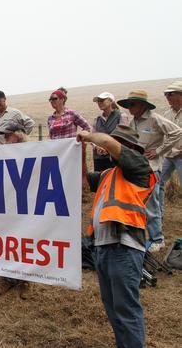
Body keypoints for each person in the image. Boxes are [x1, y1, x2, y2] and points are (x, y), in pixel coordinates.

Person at [77, 125, 156, 348]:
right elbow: (83, 181)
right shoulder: (107, 174)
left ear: (131, 148)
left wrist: (89, 136)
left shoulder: (140, 168)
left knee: (126, 309)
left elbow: (108, 143)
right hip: (102, 248)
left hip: (124, 247)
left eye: (119, 143)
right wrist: (81, 150)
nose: (110, 149)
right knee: (113, 306)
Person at [118, 90, 182, 252]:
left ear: (141, 105)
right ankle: (143, 235)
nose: (129, 108)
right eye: (128, 105)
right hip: (137, 168)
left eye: (132, 104)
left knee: (152, 206)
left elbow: (177, 132)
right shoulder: (134, 122)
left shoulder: (155, 119)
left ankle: (157, 239)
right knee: (139, 203)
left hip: (151, 168)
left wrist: (159, 150)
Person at [0, 124, 31, 297]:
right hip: (8, 202)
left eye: (8, 136)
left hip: (26, 202)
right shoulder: (3, 152)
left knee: (27, 238)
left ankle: (26, 279)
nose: (5, 139)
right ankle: (9, 277)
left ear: (19, 135)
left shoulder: (32, 151)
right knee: (9, 238)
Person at [92, 92, 130, 172]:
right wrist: (97, 147)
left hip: (115, 158)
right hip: (99, 158)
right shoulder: (97, 119)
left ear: (111, 101)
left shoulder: (121, 116)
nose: (99, 103)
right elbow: (93, 137)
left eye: (102, 100)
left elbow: (123, 137)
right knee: (100, 181)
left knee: (114, 182)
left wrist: (109, 148)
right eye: (98, 101)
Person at [160, 81, 182, 206]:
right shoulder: (166, 114)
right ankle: (158, 213)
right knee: (157, 183)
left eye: (171, 94)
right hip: (168, 156)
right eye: (166, 94)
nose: (167, 97)